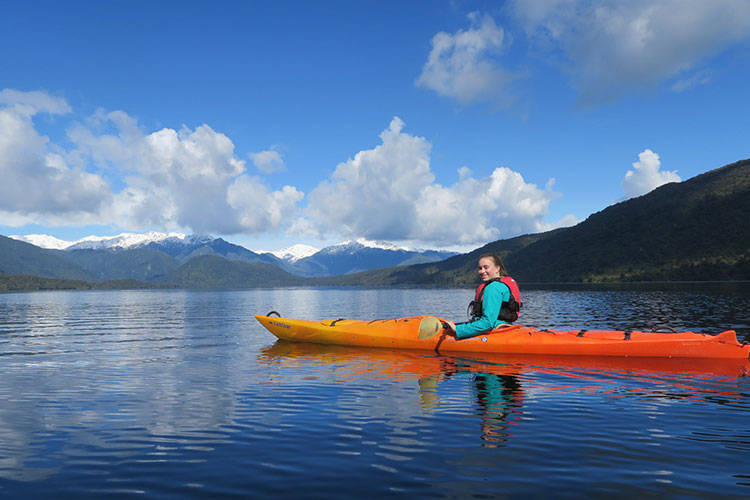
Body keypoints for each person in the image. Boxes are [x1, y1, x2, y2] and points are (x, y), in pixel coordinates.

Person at [444, 253, 521, 340]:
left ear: (497, 268)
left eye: (486, 267)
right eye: (480, 268)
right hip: (505, 327)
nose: (482, 271)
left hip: (493, 331)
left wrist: (457, 329)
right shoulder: (501, 285)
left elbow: (487, 323)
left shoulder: (493, 288)